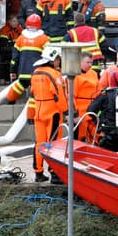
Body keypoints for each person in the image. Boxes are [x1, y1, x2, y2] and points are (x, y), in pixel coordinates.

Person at [30, 46, 68, 182]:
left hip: (38, 113)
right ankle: (54, 173)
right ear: (52, 60)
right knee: (54, 143)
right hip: (53, 113)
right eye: (58, 59)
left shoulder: (35, 73)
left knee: (40, 143)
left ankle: (38, 172)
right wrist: (66, 111)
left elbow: (32, 94)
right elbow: (60, 95)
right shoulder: (54, 75)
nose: (59, 62)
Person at [6, 14, 50, 119]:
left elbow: (15, 58)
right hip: (36, 73)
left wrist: (12, 71)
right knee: (33, 96)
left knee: (19, 86)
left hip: (22, 72)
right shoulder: (44, 39)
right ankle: (30, 118)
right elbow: (48, 57)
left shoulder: (21, 38)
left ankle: (10, 100)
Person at [73, 51, 100, 142]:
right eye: (87, 62)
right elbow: (71, 96)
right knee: (79, 137)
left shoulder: (94, 74)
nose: (90, 65)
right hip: (80, 112)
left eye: (91, 62)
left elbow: (98, 91)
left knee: (94, 136)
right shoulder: (75, 75)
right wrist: (74, 114)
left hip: (92, 109)